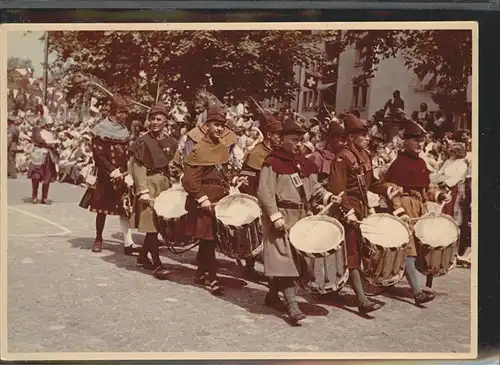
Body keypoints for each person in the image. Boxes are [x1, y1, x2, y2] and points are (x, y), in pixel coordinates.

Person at [257, 118, 341, 324]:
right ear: (282, 139)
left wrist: (329, 197)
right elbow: (265, 192)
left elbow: (315, 189)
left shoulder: (304, 163)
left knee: (295, 261)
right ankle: (292, 307)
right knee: (285, 261)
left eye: (300, 140)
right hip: (281, 217)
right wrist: (274, 216)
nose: (297, 144)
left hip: (301, 218)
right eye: (293, 140)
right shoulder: (272, 162)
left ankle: (271, 296)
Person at [327, 113, 400, 314]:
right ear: (351, 137)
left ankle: (349, 289)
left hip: (362, 209)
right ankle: (361, 299)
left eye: (366, 134)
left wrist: (387, 189)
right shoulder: (342, 157)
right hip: (347, 209)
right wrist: (347, 211)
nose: (367, 138)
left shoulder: (365, 155)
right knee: (352, 253)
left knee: (361, 251)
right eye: (362, 135)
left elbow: (372, 184)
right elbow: (337, 190)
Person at [383, 121, 450, 305]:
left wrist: (439, 195)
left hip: (420, 207)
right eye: (416, 141)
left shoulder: (421, 162)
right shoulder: (398, 163)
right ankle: (417, 292)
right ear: (406, 142)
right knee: (408, 249)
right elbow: (393, 189)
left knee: (423, 246)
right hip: (404, 205)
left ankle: (397, 278)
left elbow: (426, 188)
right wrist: (399, 209)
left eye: (422, 141)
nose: (420, 144)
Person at [182, 107, 245, 296]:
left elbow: (222, 173)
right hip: (205, 201)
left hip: (220, 199)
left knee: (209, 240)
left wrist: (234, 180)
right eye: (216, 125)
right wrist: (201, 197)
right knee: (209, 240)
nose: (219, 129)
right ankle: (213, 277)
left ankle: (201, 272)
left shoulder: (221, 147)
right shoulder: (198, 149)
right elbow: (189, 179)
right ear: (207, 126)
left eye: (221, 126)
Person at [79, 94, 139, 255]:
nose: (124, 116)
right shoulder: (100, 129)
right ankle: (98, 239)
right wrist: (112, 170)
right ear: (112, 113)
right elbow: (98, 155)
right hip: (106, 175)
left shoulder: (124, 130)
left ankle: (128, 243)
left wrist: (127, 170)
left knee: (125, 208)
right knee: (102, 210)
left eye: (125, 112)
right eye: (120, 112)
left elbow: (127, 152)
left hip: (123, 173)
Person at [128, 102, 178, 279]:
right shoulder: (142, 142)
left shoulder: (171, 141)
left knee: (159, 224)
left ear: (166, 121)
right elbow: (136, 166)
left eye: (159, 119)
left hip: (164, 184)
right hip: (148, 184)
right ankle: (157, 263)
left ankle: (142, 257)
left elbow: (174, 162)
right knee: (151, 223)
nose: (155, 122)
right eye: (152, 119)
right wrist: (142, 190)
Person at [238, 112, 283, 275]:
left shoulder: (279, 152)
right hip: (256, 198)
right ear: (269, 135)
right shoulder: (256, 153)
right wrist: (255, 202)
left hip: (274, 199)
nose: (281, 138)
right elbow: (246, 181)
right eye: (278, 135)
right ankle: (250, 264)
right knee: (255, 234)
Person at [27, 112, 59, 204]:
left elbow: (55, 143)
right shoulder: (36, 130)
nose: (50, 126)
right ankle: (34, 195)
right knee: (36, 176)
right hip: (38, 153)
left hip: (49, 155)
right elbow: (39, 140)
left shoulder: (53, 133)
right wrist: (50, 142)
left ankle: (44, 197)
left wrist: (56, 145)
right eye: (48, 125)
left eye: (51, 125)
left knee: (47, 177)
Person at [307, 121, 345, 187]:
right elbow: (311, 185)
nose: (344, 144)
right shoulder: (316, 157)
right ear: (332, 139)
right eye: (342, 140)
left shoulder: (342, 157)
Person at [7, 113, 20, 179]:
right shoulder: (16, 128)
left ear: (9, 121)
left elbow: (9, 139)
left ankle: (13, 174)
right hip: (14, 145)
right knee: (12, 159)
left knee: (10, 160)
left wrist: (6, 146)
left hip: (11, 145)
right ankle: (10, 173)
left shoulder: (11, 129)